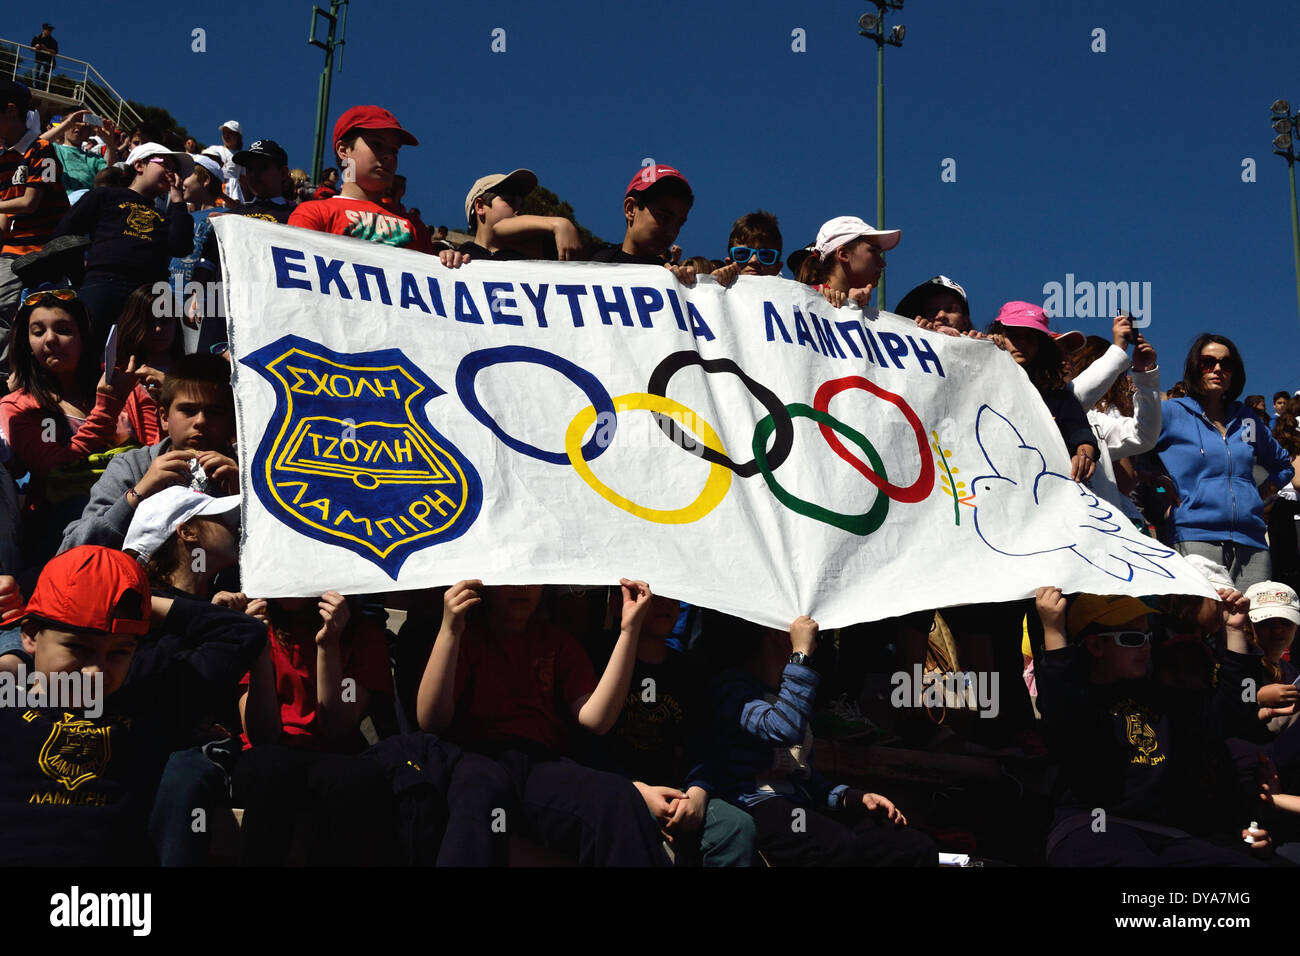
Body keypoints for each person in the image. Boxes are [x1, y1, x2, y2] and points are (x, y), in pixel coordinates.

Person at [0, 545, 267, 865]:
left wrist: (139, 603)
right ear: (30, 635)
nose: (95, 671)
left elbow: (242, 632)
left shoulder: (149, 707)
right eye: (78, 648)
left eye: (118, 653)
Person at [417, 579, 670, 865]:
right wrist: (450, 630)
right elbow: (431, 719)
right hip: (475, 759)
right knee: (480, 796)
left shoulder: (559, 644)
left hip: (540, 765)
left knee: (619, 797)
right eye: (510, 578)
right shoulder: (466, 636)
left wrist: (629, 630)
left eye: (530, 579)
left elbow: (596, 719)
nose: (522, 588)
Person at [1034, 588, 1272, 866]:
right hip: (1093, 825)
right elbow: (1060, 701)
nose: (1146, 646)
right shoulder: (1078, 700)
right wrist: (1053, 631)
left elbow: (1234, 712)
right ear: (1095, 646)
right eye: (1133, 638)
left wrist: (1234, 631)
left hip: (1169, 835)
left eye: (1148, 636)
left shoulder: (1165, 697)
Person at [703, 613, 937, 866]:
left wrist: (850, 796)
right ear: (777, 632)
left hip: (801, 805)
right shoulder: (733, 688)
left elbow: (804, 776)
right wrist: (800, 655)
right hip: (757, 805)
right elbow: (782, 729)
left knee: (912, 846)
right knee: (834, 844)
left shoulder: (789, 686)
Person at [582, 592, 757, 865]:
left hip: (675, 793)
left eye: (672, 596)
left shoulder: (688, 672)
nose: (665, 604)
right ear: (618, 604)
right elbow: (585, 748)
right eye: (651, 596)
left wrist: (697, 796)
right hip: (613, 792)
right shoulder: (594, 659)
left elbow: (702, 747)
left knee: (736, 826)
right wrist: (638, 792)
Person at [234, 590, 399, 865]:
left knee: (356, 781)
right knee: (270, 768)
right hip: (270, 755)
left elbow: (337, 729)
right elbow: (262, 736)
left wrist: (329, 644)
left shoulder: (363, 634)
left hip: (334, 756)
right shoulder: (256, 624)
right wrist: (258, 651)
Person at [0, 288, 140, 571]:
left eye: (63, 330)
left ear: (84, 337)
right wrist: (107, 409)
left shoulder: (127, 386)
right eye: (38, 332)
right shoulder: (16, 406)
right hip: (62, 532)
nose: (50, 339)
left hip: (138, 519)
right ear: (27, 343)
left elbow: (153, 449)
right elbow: (53, 469)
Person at [1154, 333, 1297, 589]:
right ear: (1195, 368)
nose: (1218, 369)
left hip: (1252, 543)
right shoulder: (1171, 413)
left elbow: (1283, 465)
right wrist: (1163, 490)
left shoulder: (1248, 419)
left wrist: (1260, 494)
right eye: (1208, 362)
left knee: (1251, 624)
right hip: (1194, 537)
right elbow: (1139, 463)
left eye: (1226, 364)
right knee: (1204, 625)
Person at [59, 352, 237, 553]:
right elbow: (73, 549)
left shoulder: (249, 473)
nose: (200, 421)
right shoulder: (132, 467)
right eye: (188, 410)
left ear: (232, 422)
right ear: (164, 418)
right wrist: (137, 495)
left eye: (215, 413)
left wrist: (247, 502)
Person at [53, 142, 194, 353]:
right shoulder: (105, 196)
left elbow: (181, 246)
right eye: (165, 164)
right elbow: (64, 236)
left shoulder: (167, 215)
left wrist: (178, 200)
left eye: (175, 169)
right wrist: (82, 277)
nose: (171, 172)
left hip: (148, 294)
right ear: (139, 165)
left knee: (138, 358)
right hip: (103, 284)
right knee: (86, 351)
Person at [288, 105, 434, 254]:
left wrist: (451, 264)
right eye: (377, 144)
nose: (389, 156)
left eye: (394, 150)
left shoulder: (416, 227)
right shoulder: (312, 214)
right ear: (343, 150)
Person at [988, 301, 1099, 483]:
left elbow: (1079, 431)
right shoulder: (977, 374)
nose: (1022, 343)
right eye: (1014, 336)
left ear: (1042, 345)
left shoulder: (1058, 395)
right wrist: (980, 346)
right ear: (999, 336)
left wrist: (1085, 453)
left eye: (1030, 338)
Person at [0, 78, 71, 345]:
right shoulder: (2, 156)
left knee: (44, 318)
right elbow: (5, 212)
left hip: (46, 250)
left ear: (10, 111)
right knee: (1, 311)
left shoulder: (43, 150)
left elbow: (30, 202)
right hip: (13, 249)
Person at [590, 164, 696, 284]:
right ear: (630, 209)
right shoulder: (589, 258)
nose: (671, 231)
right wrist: (564, 225)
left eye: (679, 223)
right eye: (663, 217)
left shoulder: (674, 277)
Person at [114, 282, 186, 446]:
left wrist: (173, 388)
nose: (158, 329)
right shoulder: (116, 373)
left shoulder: (191, 374)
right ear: (133, 322)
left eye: (165, 320)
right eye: (149, 321)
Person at [461, 169, 582, 261]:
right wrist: (559, 223)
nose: (518, 209)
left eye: (521, 204)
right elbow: (500, 227)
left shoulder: (532, 255)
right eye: (510, 201)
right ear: (480, 206)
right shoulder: (458, 257)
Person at [803, 215, 899, 310]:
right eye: (873, 251)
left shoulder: (862, 310)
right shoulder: (805, 298)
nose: (883, 263)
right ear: (844, 254)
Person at [45, 108, 119, 192]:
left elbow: (109, 176)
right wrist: (68, 123)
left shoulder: (94, 159)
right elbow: (35, 146)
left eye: (84, 125)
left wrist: (109, 142)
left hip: (86, 202)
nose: (79, 127)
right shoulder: (53, 148)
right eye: (75, 122)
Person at [709, 210, 783, 288]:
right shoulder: (714, 292)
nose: (753, 260)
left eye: (765, 255)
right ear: (729, 263)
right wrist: (712, 284)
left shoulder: (793, 296)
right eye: (743, 254)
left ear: (777, 268)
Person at [895, 275, 974, 335]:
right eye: (932, 310)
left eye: (950, 309)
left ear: (965, 322)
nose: (941, 315)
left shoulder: (982, 348)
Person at [213, 121, 245, 203]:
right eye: (224, 132)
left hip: (233, 193)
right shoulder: (214, 150)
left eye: (230, 132)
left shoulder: (241, 156)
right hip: (215, 189)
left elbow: (244, 180)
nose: (226, 135)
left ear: (237, 136)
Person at [29, 24, 56, 90]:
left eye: (51, 30)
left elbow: (55, 52)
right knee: (35, 74)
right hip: (38, 59)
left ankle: (42, 89)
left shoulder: (52, 41)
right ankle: (36, 88)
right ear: (44, 30)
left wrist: (46, 49)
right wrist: (35, 47)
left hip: (47, 60)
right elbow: (31, 48)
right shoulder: (37, 38)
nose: (50, 31)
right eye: (48, 30)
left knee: (42, 74)